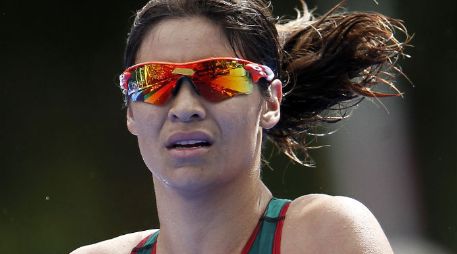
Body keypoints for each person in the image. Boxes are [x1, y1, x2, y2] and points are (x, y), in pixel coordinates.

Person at [71, 0, 409, 253]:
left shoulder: (324, 237)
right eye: (154, 81)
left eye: (220, 76)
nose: (185, 108)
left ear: (271, 101)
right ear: (131, 110)